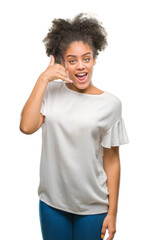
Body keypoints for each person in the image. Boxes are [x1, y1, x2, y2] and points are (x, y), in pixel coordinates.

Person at [19, 13, 129, 240]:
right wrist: (43, 79)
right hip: (52, 204)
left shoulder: (110, 105)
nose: (80, 67)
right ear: (62, 63)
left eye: (86, 59)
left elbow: (112, 160)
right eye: (72, 60)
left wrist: (113, 213)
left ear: (94, 59)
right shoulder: (50, 92)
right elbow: (27, 127)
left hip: (92, 208)